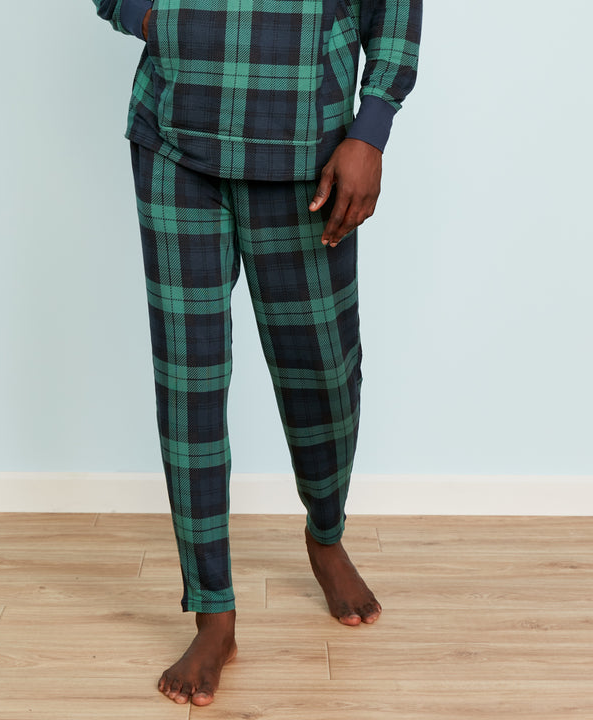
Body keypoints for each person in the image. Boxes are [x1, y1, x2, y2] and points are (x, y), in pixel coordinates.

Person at [92, 0, 421, 706]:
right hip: (175, 140)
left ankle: (325, 535)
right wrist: (149, 16)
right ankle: (213, 611)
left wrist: (372, 129)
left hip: (312, 148)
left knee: (325, 376)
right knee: (189, 381)